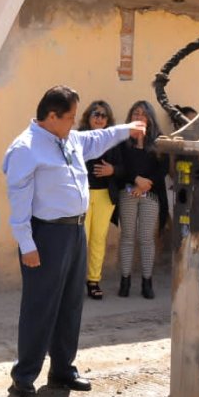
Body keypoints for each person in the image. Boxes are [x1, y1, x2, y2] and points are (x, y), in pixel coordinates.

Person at [2, 86, 144, 397]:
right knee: (40, 306)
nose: (74, 123)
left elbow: (97, 139)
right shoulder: (26, 148)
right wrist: (27, 244)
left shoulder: (70, 139)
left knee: (70, 304)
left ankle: (63, 370)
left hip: (74, 232)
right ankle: (24, 375)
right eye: (69, 117)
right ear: (51, 116)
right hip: (46, 235)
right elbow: (19, 200)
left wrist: (126, 130)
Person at [111, 100, 168, 300]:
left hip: (150, 195)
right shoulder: (123, 141)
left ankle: (147, 282)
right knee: (127, 237)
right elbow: (121, 166)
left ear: (150, 118)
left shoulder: (159, 141)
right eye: (135, 113)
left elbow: (163, 169)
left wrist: (146, 183)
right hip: (128, 192)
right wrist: (136, 181)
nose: (138, 117)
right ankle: (125, 281)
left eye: (142, 114)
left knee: (146, 238)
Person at [80, 101, 116, 300]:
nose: (99, 118)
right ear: (88, 116)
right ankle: (76, 281)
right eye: (96, 114)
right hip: (83, 195)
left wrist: (113, 170)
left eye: (104, 115)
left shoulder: (113, 141)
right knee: (80, 240)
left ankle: (93, 281)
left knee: (98, 239)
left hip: (104, 196)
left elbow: (123, 168)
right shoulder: (78, 138)